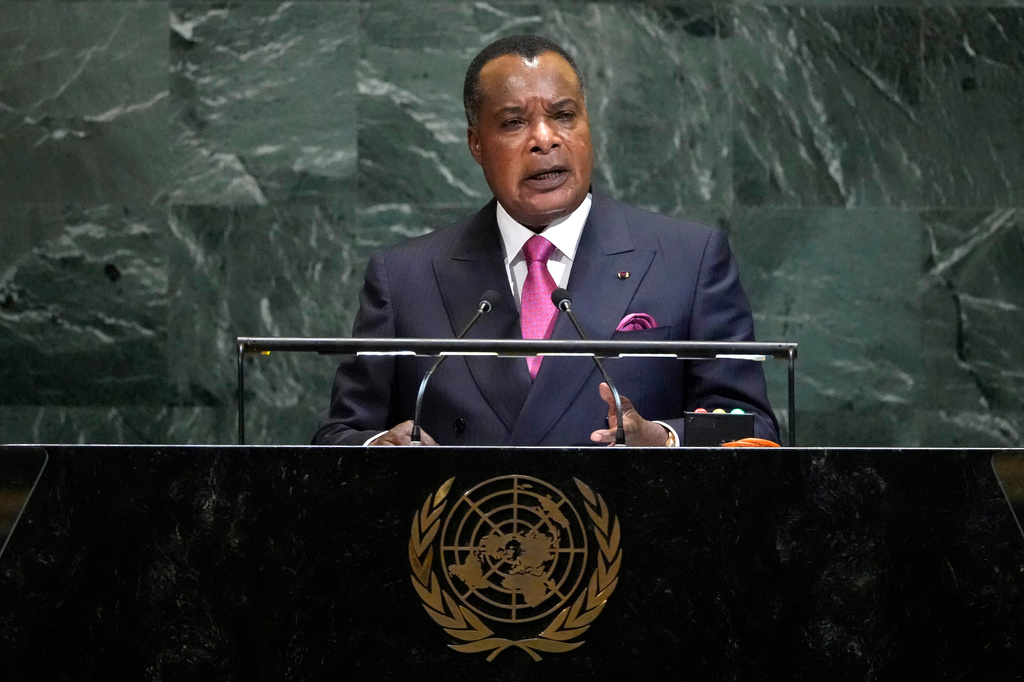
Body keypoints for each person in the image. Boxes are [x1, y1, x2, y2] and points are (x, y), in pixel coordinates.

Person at [313, 34, 778, 447]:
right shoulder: (403, 278)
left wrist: (665, 438)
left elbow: (751, 428)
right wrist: (379, 447)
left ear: (588, 125)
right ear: (476, 143)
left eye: (563, 115)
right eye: (514, 123)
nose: (544, 139)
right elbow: (337, 435)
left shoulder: (689, 260)